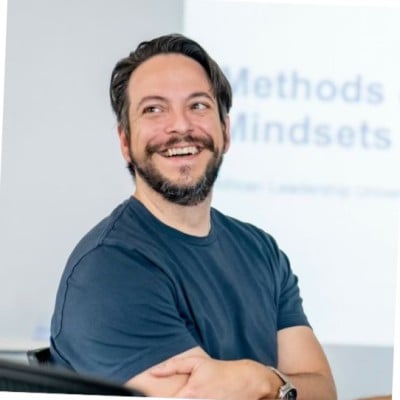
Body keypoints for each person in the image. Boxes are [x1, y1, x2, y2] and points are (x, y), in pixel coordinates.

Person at [50, 33, 336, 400]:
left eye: (198, 105)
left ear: (225, 131)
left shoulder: (261, 251)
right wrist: (282, 384)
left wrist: (260, 381)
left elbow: (324, 390)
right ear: (125, 142)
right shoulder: (107, 269)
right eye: (154, 110)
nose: (181, 127)